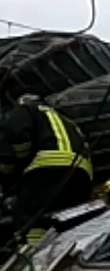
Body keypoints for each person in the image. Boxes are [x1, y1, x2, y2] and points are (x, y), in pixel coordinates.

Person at [0, 95, 94, 245]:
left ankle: (33, 256)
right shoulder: (66, 120)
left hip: (48, 168)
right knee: (65, 220)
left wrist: (11, 172)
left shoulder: (27, 108)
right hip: (82, 175)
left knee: (30, 220)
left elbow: (16, 134)